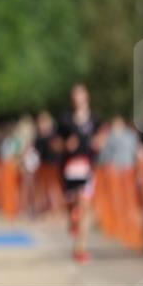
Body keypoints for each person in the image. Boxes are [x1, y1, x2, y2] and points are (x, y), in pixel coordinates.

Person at [53, 83, 101, 263]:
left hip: (88, 166)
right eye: (75, 96)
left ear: (86, 97)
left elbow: (101, 137)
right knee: (73, 204)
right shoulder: (65, 120)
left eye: (81, 95)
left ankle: (80, 248)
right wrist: (65, 146)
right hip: (69, 168)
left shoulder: (95, 118)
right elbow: (55, 143)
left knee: (86, 205)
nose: (78, 99)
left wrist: (98, 142)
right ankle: (72, 219)